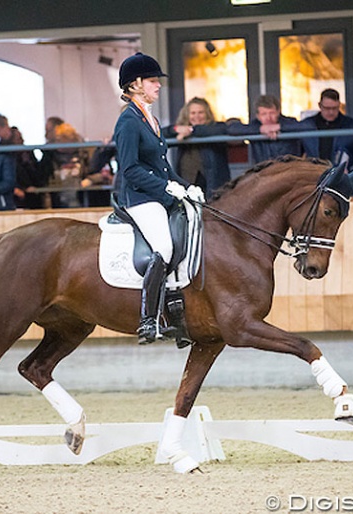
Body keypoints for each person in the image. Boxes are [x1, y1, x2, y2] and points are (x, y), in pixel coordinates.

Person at [113, 52, 204, 346]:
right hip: (139, 197)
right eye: (153, 81)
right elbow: (129, 169)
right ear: (135, 84)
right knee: (163, 247)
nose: (158, 86)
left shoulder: (148, 117)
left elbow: (162, 167)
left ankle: (178, 320)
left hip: (156, 192)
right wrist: (165, 189)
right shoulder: (128, 121)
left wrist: (185, 186)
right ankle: (148, 320)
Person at [162, 97, 231, 199]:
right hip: (186, 182)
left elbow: (222, 129)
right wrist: (176, 129)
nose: (197, 116)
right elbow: (160, 133)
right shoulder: (182, 129)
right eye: (193, 113)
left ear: (207, 114)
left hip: (213, 184)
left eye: (201, 112)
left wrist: (191, 130)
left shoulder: (216, 127)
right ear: (187, 115)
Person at [300, 88, 353, 176]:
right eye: (327, 108)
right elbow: (296, 153)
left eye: (335, 108)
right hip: (313, 176)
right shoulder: (307, 125)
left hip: (341, 178)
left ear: (339, 105)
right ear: (319, 106)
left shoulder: (350, 125)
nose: (331, 112)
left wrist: (350, 170)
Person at [226, 95, 302, 163]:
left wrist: (279, 127)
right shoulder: (254, 125)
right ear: (258, 116)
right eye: (264, 114)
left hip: (289, 170)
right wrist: (260, 129)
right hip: (263, 172)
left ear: (278, 112)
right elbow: (231, 128)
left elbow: (306, 125)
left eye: (272, 113)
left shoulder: (289, 122)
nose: (268, 118)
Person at [10, 126, 48, 209]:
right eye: (19, 138)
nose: (22, 141)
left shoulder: (28, 152)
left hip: (36, 190)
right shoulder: (11, 157)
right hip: (21, 193)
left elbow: (38, 170)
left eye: (22, 137)